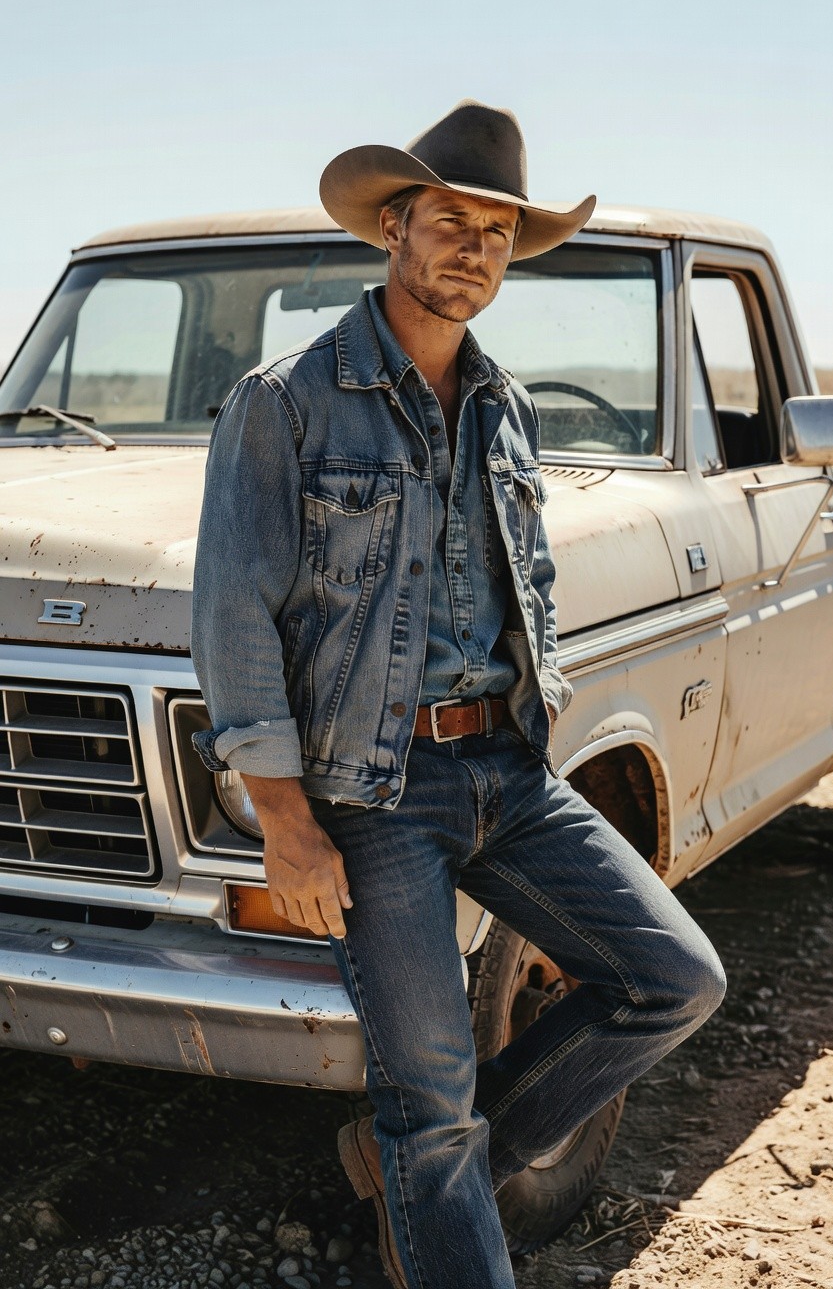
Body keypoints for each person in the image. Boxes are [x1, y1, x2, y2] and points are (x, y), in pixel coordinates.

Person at [190, 99, 726, 1289]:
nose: (475, 248)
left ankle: (432, 1165)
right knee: (426, 1096)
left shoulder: (505, 406)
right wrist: (284, 819)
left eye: (497, 230)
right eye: (450, 221)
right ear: (394, 227)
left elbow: (515, 595)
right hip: (372, 792)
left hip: (511, 774)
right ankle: (432, 1163)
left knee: (677, 980)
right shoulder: (283, 403)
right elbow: (232, 620)